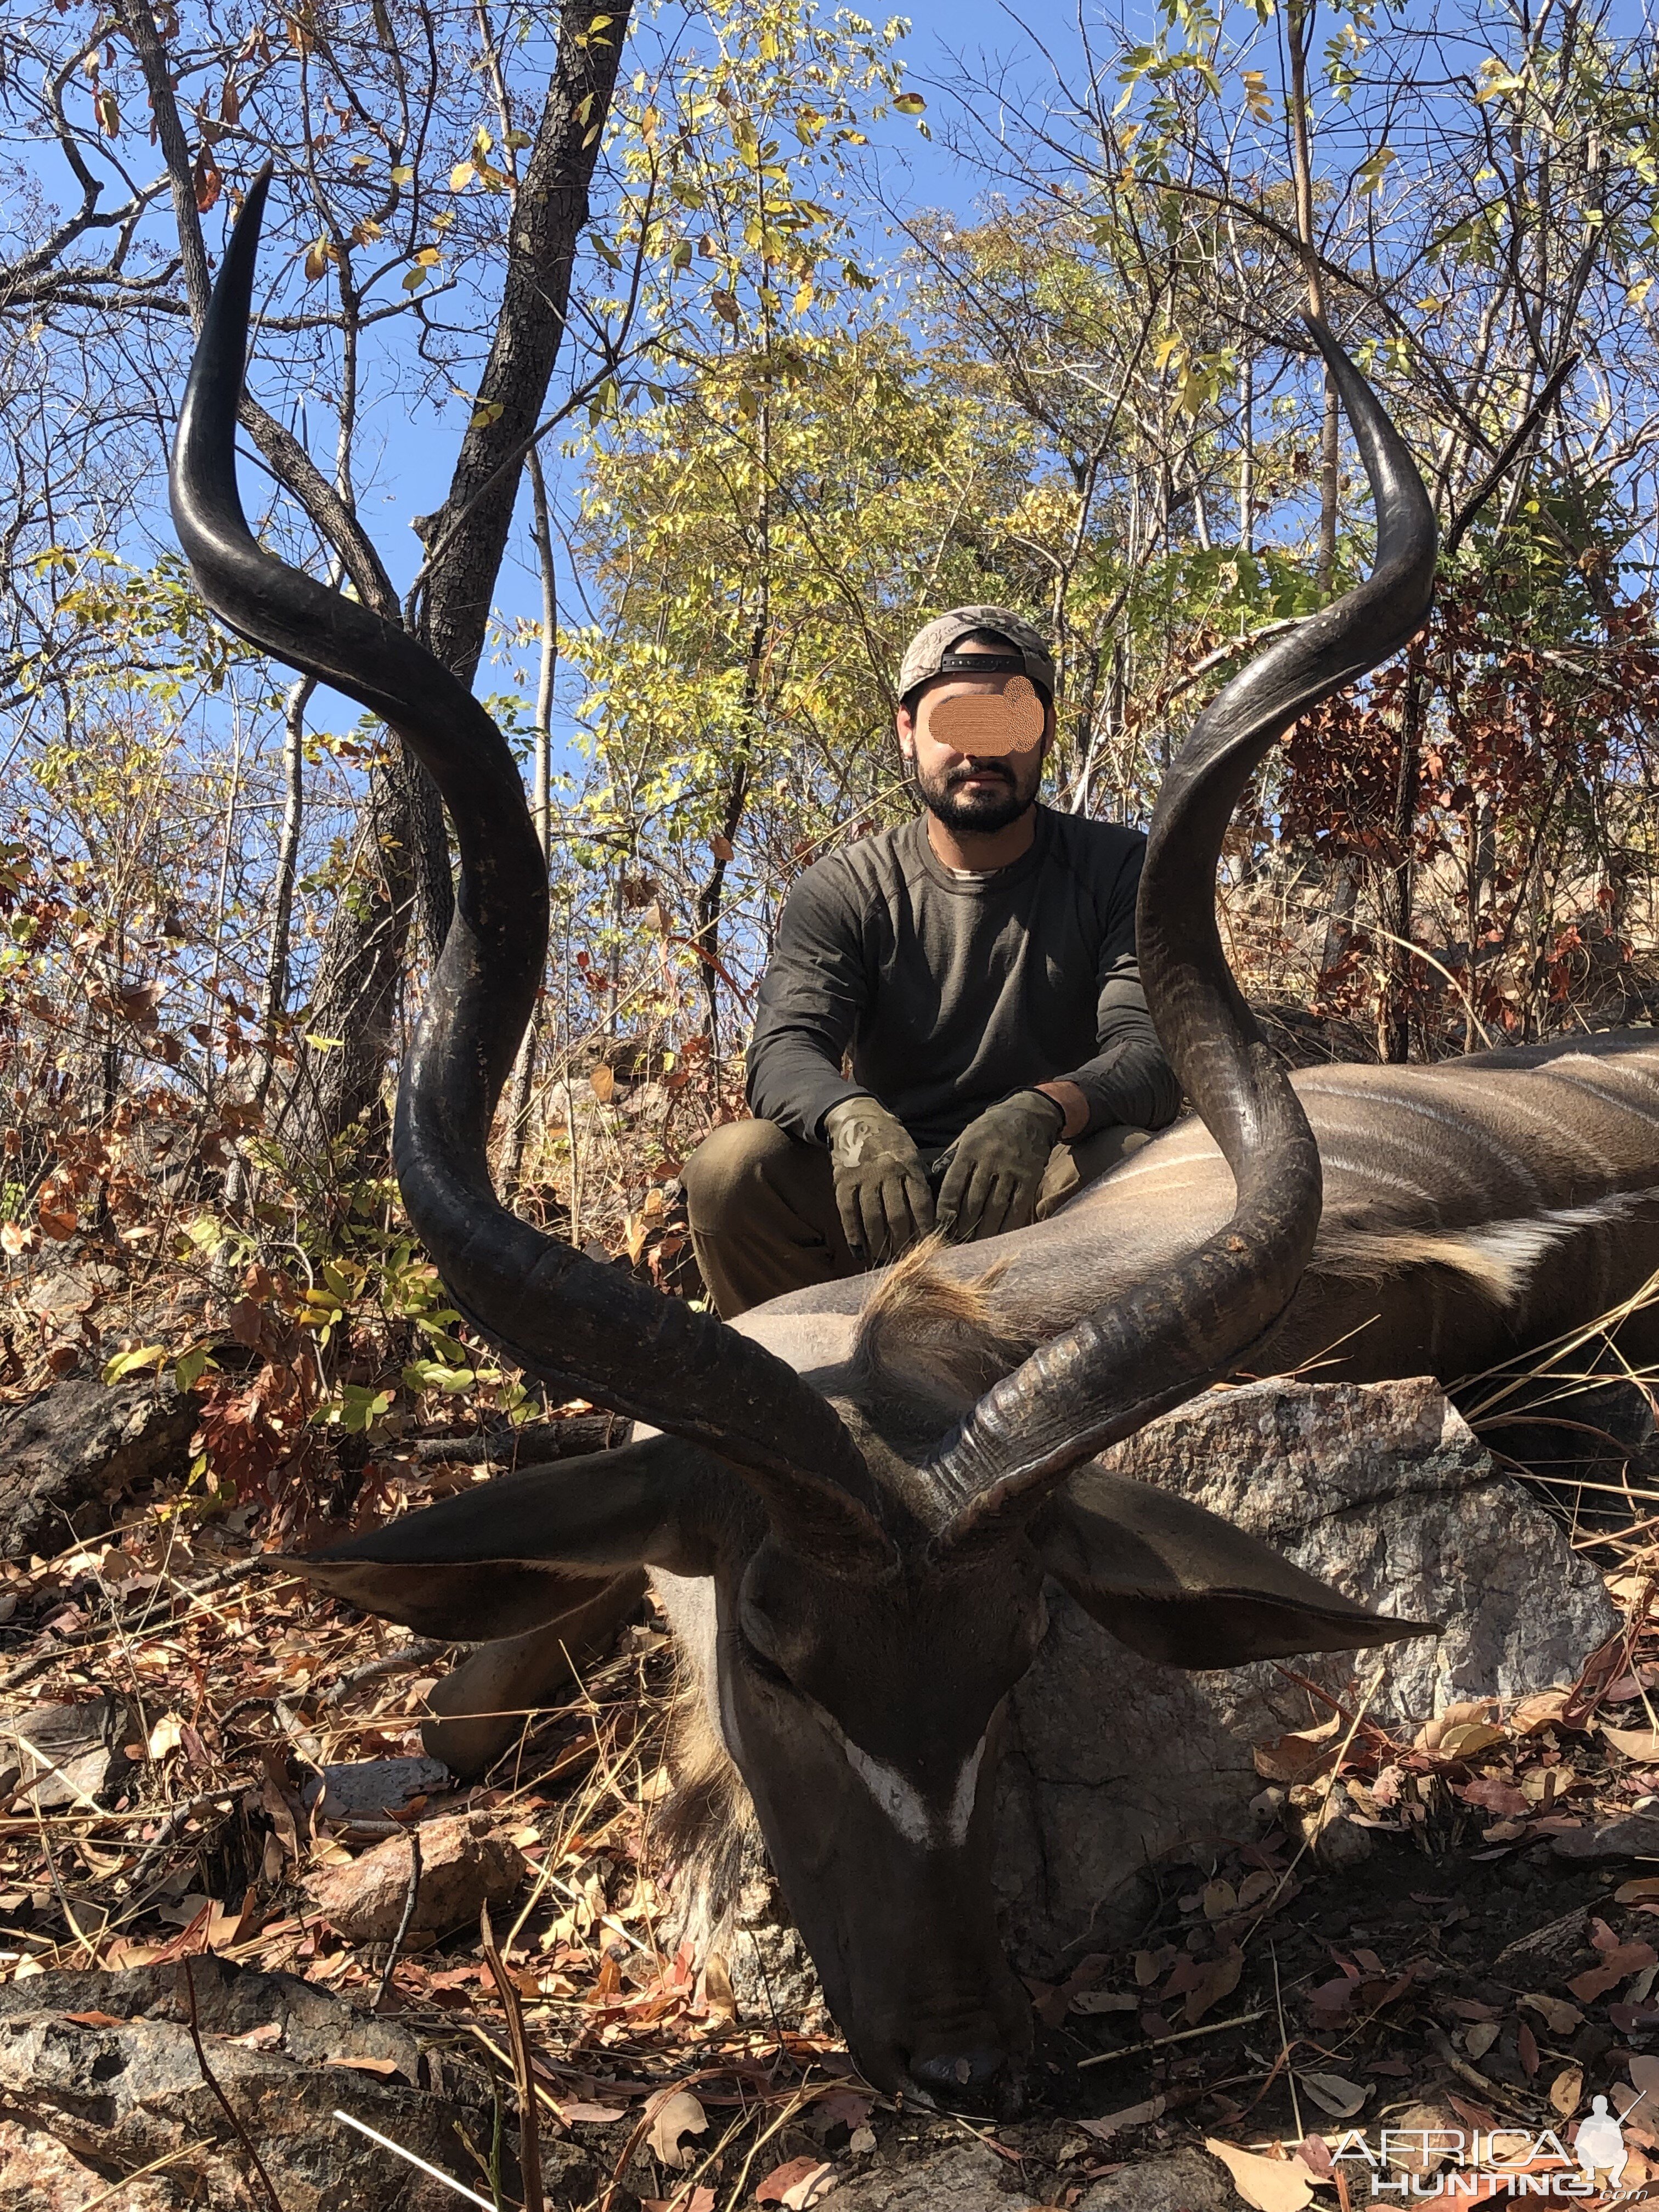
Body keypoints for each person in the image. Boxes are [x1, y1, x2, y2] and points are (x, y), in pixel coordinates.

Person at [682, 605, 1181, 1318]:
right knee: (734, 1170)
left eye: (1010, 725)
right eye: (956, 724)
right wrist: (852, 1118)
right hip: (884, 1202)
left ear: (1043, 740)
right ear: (908, 733)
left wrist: (1045, 1111)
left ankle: (1103, 1396)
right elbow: (784, 1051)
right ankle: (802, 1404)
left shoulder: (1120, 869)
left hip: (1049, 1202)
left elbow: (1152, 1053)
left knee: (1139, 1162)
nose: (984, 750)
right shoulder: (845, 887)